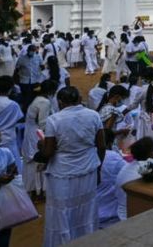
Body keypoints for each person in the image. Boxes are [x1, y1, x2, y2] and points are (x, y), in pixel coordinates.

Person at [39, 86, 105, 247]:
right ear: (78, 99)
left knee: (62, 212)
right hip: (88, 167)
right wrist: (98, 168)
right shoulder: (93, 115)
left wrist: (40, 147)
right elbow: (101, 146)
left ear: (60, 102)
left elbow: (48, 152)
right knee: (87, 210)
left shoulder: (54, 119)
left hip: (63, 172)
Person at [22, 80, 57, 200]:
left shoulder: (37, 99)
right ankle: (39, 191)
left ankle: (35, 190)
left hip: (31, 133)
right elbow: (43, 123)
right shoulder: (44, 102)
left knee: (33, 161)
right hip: (37, 134)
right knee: (39, 159)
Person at [113, 137, 153, 223]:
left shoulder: (126, 167)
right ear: (152, 153)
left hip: (122, 213)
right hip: (133, 216)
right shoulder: (147, 171)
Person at [95, 129, 126, 229]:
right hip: (110, 214)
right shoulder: (113, 157)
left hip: (89, 214)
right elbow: (128, 174)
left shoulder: (86, 157)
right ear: (110, 143)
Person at [15, 44, 44, 109]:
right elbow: (17, 69)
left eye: (33, 50)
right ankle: (25, 110)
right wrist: (16, 80)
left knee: (34, 96)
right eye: (31, 50)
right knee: (25, 97)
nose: (32, 52)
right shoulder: (22, 58)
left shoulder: (38, 57)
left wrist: (39, 74)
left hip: (35, 81)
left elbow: (42, 66)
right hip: (24, 81)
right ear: (28, 50)